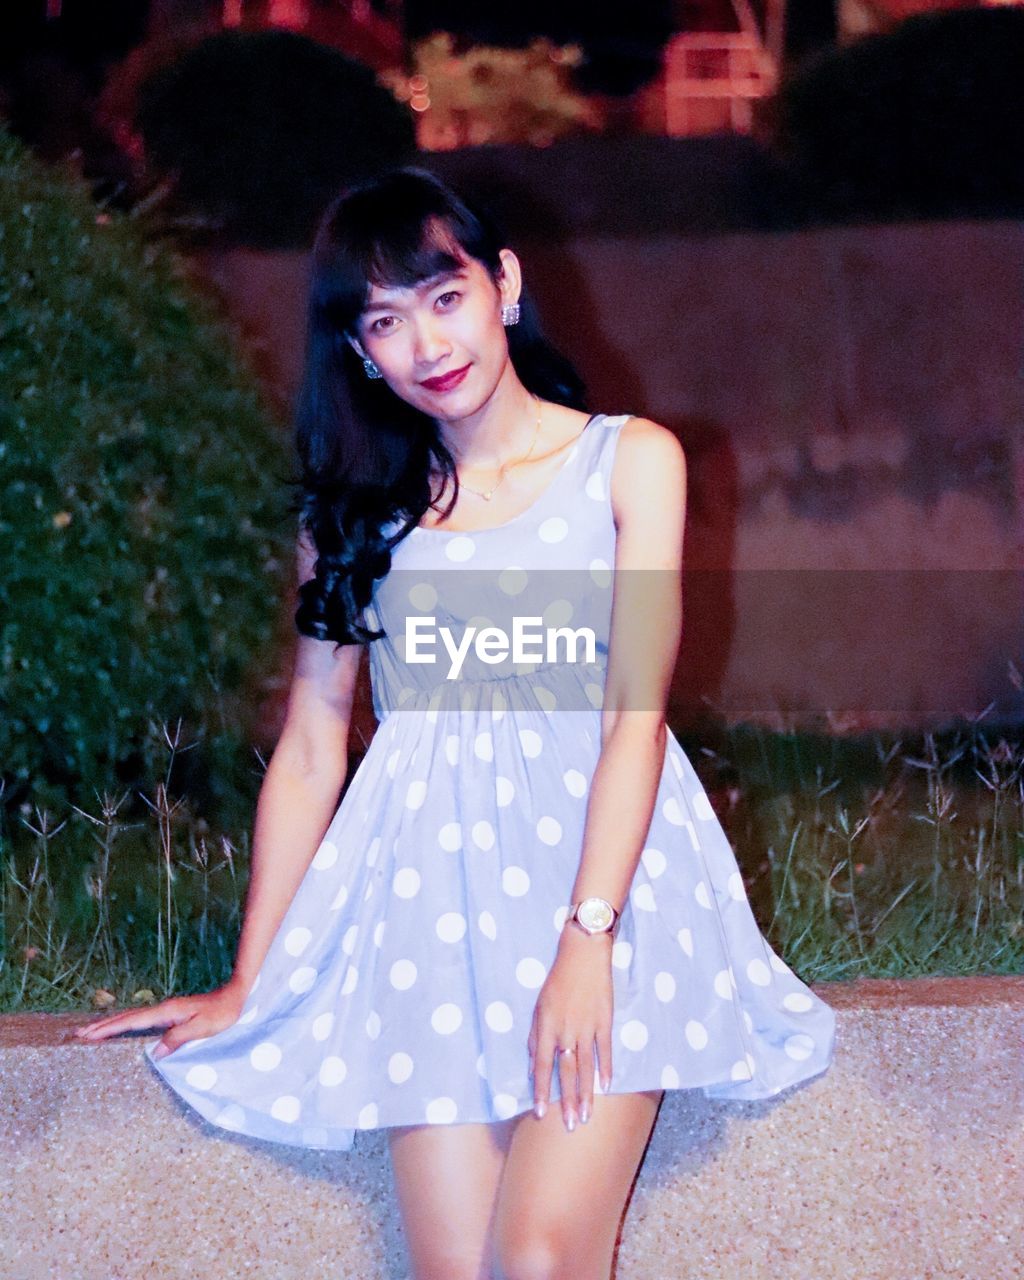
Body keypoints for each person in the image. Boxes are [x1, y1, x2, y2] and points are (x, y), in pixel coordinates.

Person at [75, 166, 836, 1279]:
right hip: (428, 912)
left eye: (445, 296)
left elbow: (633, 719)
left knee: (533, 1258)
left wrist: (589, 941)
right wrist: (255, 976)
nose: (427, 341)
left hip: (609, 892)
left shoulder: (627, 462)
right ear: (356, 350)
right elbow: (309, 745)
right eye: (383, 320)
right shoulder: (356, 512)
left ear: (505, 286)